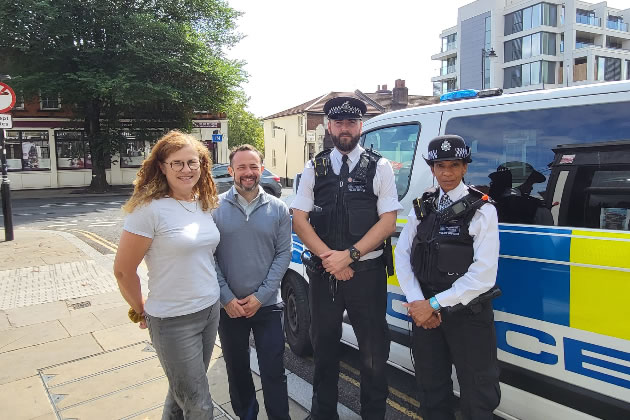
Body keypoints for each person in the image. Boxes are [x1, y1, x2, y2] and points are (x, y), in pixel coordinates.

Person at [291, 96, 401, 420]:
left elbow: (388, 222)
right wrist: (331, 259)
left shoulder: (379, 167)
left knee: (373, 353)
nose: (344, 128)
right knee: (324, 349)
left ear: (360, 127)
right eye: (338, 123)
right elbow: (299, 220)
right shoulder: (314, 168)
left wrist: (350, 256)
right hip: (325, 275)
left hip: (366, 276)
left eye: (351, 123)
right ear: (329, 126)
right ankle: (323, 414)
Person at [113, 130, 221, 420]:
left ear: (202, 165)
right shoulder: (148, 210)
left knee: (180, 393)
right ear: (162, 166)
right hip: (173, 320)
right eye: (178, 163)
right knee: (199, 403)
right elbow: (123, 270)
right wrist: (139, 309)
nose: (187, 170)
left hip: (210, 310)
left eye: (193, 162)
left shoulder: (202, 203)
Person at [394, 134, 501, 420]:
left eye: (454, 165)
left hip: (467, 315)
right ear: (432, 168)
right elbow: (402, 254)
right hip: (426, 314)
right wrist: (419, 303)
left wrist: (434, 304)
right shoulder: (423, 205)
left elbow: (484, 274)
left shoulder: (482, 209)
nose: (447, 173)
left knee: (478, 396)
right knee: (431, 391)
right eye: (440, 166)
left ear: (465, 167)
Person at [212, 144, 291, 420]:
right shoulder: (213, 208)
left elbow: (283, 254)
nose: (248, 172)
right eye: (242, 167)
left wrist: (261, 296)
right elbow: (208, 258)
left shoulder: (279, 209)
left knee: (273, 371)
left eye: (253, 166)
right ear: (231, 170)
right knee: (237, 370)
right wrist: (226, 299)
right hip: (229, 308)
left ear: (262, 169)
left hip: (268, 307)